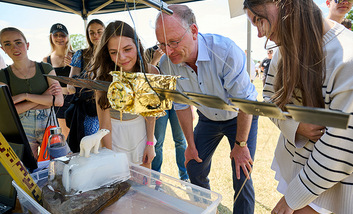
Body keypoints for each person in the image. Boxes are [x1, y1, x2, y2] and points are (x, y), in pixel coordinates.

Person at [244, 0, 353, 213]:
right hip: (296, 167)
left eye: (259, 20)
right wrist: (295, 125)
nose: (259, 34)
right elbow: (269, 98)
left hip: (335, 185)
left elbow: (342, 145)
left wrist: (292, 198)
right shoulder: (283, 50)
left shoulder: (346, 57)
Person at [155, 5, 259, 214]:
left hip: (240, 116)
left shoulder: (226, 51)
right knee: (193, 165)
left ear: (194, 31)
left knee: (241, 173)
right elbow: (182, 105)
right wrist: (190, 145)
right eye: (162, 44)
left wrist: (240, 145)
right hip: (208, 119)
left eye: (174, 42)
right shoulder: (167, 63)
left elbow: (245, 103)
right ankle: (207, 210)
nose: (168, 51)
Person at [88, 21, 159, 169]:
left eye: (127, 49)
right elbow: (105, 125)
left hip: (141, 134)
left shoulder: (151, 72)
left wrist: (150, 143)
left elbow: (151, 114)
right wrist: (109, 156)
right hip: (114, 137)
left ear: (137, 44)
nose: (121, 57)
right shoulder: (102, 80)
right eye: (113, 52)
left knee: (143, 186)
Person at [0, 27, 64, 160]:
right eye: (7, 44)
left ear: (27, 45)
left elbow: (58, 101)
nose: (14, 48)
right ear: (3, 49)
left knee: (59, 164)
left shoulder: (45, 68)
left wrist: (24, 96)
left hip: (48, 122)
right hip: (22, 127)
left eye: (18, 42)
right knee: (28, 171)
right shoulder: (3, 75)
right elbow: (9, 112)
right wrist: (44, 98)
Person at [145, 45, 189, 182]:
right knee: (157, 142)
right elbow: (145, 78)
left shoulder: (173, 54)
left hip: (177, 103)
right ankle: (155, 176)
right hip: (159, 105)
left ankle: (185, 176)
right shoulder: (150, 53)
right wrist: (155, 60)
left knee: (180, 140)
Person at [66, 19, 105, 152]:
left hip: (109, 108)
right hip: (90, 111)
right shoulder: (81, 54)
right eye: (91, 33)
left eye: (99, 32)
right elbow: (70, 86)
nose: (96, 36)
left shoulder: (112, 54)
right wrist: (87, 85)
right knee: (91, 150)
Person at [43, 23, 74, 139]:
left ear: (67, 37)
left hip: (76, 100)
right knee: (66, 138)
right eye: (56, 35)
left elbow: (84, 79)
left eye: (62, 35)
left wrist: (73, 65)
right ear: (51, 37)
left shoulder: (76, 55)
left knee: (80, 136)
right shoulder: (47, 60)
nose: (59, 38)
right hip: (59, 102)